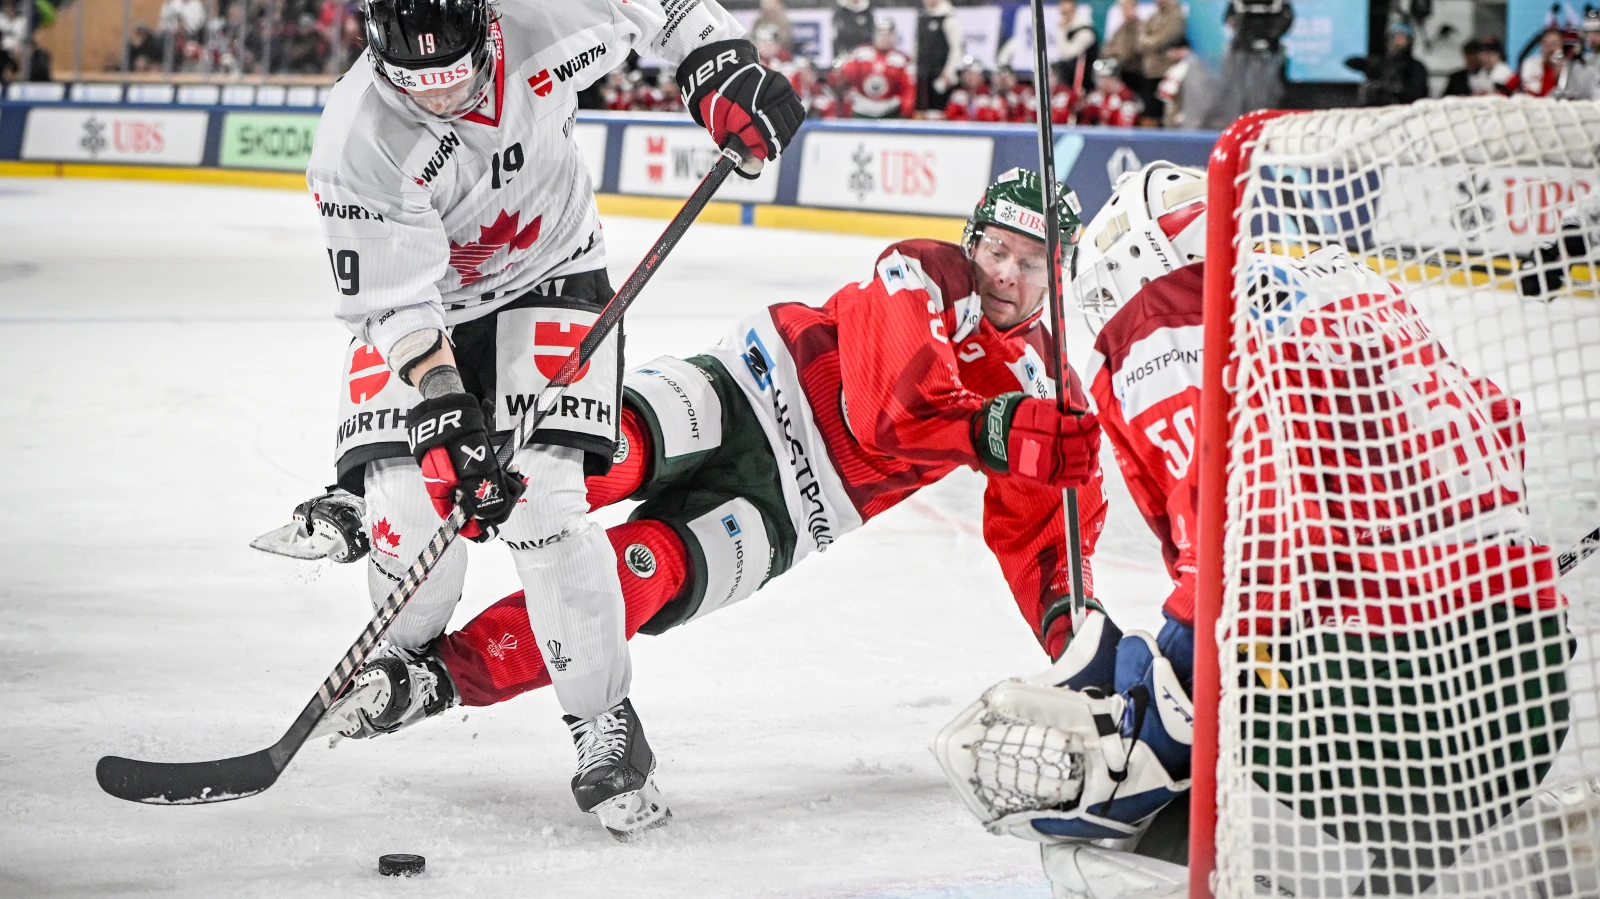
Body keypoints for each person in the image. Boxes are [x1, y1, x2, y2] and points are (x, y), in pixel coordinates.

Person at [288, 169, 1109, 749]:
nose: (1006, 273)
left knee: (631, 584)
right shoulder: (923, 268)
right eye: (998, 249)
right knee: (577, 461)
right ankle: (390, 493)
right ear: (972, 240)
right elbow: (890, 405)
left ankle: (438, 681)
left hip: (801, 507)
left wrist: (1082, 651)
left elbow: (1046, 544)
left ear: (1057, 273)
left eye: (1032, 261)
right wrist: (1000, 430)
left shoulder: (1048, 389)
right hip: (749, 389)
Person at [933, 161, 1572, 895]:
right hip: (1531, 692)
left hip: (1387, 705)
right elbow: (1499, 424)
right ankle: (1460, 850)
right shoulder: (1348, 286)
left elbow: (1244, 541)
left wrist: (1163, 700)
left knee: (1124, 830)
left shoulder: (1163, 324)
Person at [302, 0, 802, 840]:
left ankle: (604, 721)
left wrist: (719, 62)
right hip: (431, 308)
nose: (442, 98)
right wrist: (443, 404)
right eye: (417, 86)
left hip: (552, 273)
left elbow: (671, 11)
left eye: (456, 75)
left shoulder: (553, 10)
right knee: (414, 498)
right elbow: (396, 309)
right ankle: (405, 644)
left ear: (490, 29)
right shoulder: (355, 139)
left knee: (543, 500)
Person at [1209, 0, 1292, 124]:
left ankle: (1262, 122)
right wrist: (1240, 32)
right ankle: (1235, 123)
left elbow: (1286, 18)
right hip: (1241, 49)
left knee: (1265, 90)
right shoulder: (1238, 3)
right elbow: (1228, 18)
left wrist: (1270, 36)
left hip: (1268, 51)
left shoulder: (1278, 4)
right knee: (1236, 90)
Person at [838, 16, 915, 119]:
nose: (884, 38)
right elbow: (845, 77)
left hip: (890, 111)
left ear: (893, 36)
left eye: (887, 35)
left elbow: (908, 88)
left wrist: (906, 109)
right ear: (874, 35)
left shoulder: (901, 59)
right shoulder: (861, 54)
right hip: (862, 109)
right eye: (880, 34)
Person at [1345, 21, 1430, 107]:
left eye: (1402, 39)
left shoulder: (1415, 67)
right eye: (1396, 38)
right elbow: (1350, 62)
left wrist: (1396, 90)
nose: (1397, 44)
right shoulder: (1380, 63)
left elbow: (1419, 95)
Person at [1133, 0, 1185, 120]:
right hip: (1149, 70)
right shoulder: (1154, 16)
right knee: (1149, 113)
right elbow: (1140, 39)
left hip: (1166, 72)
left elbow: (1164, 39)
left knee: (1164, 114)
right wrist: (1147, 43)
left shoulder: (1176, 16)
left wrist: (1148, 44)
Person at [1155, 34, 1216, 129]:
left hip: (1186, 118)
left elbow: (1198, 94)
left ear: (1183, 50)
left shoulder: (1192, 67)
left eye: (1173, 50)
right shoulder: (1176, 66)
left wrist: (1187, 114)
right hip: (1174, 116)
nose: (1169, 53)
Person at [914, 0, 962, 114]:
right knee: (920, 112)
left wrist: (949, 73)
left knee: (938, 112)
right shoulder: (922, 17)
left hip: (941, 75)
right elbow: (917, 46)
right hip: (923, 74)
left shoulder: (948, 17)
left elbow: (956, 48)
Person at [1077, 57, 1141, 127]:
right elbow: (1084, 123)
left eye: (1108, 78)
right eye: (1101, 78)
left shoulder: (1125, 97)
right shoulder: (1093, 97)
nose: (1104, 82)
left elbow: (1126, 128)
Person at [1509, 27, 1568, 97]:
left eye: (1555, 44)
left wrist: (1559, 77)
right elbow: (1507, 89)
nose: (1551, 49)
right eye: (1547, 45)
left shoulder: (1569, 68)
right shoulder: (1529, 65)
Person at [943, 57, 1003, 122]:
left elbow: (995, 118)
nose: (970, 78)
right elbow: (950, 116)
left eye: (974, 74)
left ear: (981, 77)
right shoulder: (957, 94)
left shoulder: (991, 95)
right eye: (968, 74)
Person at [1557, 11, 1600, 100]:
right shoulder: (1579, 62)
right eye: (1589, 32)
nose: (1592, 37)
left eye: (1597, 32)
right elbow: (1572, 92)